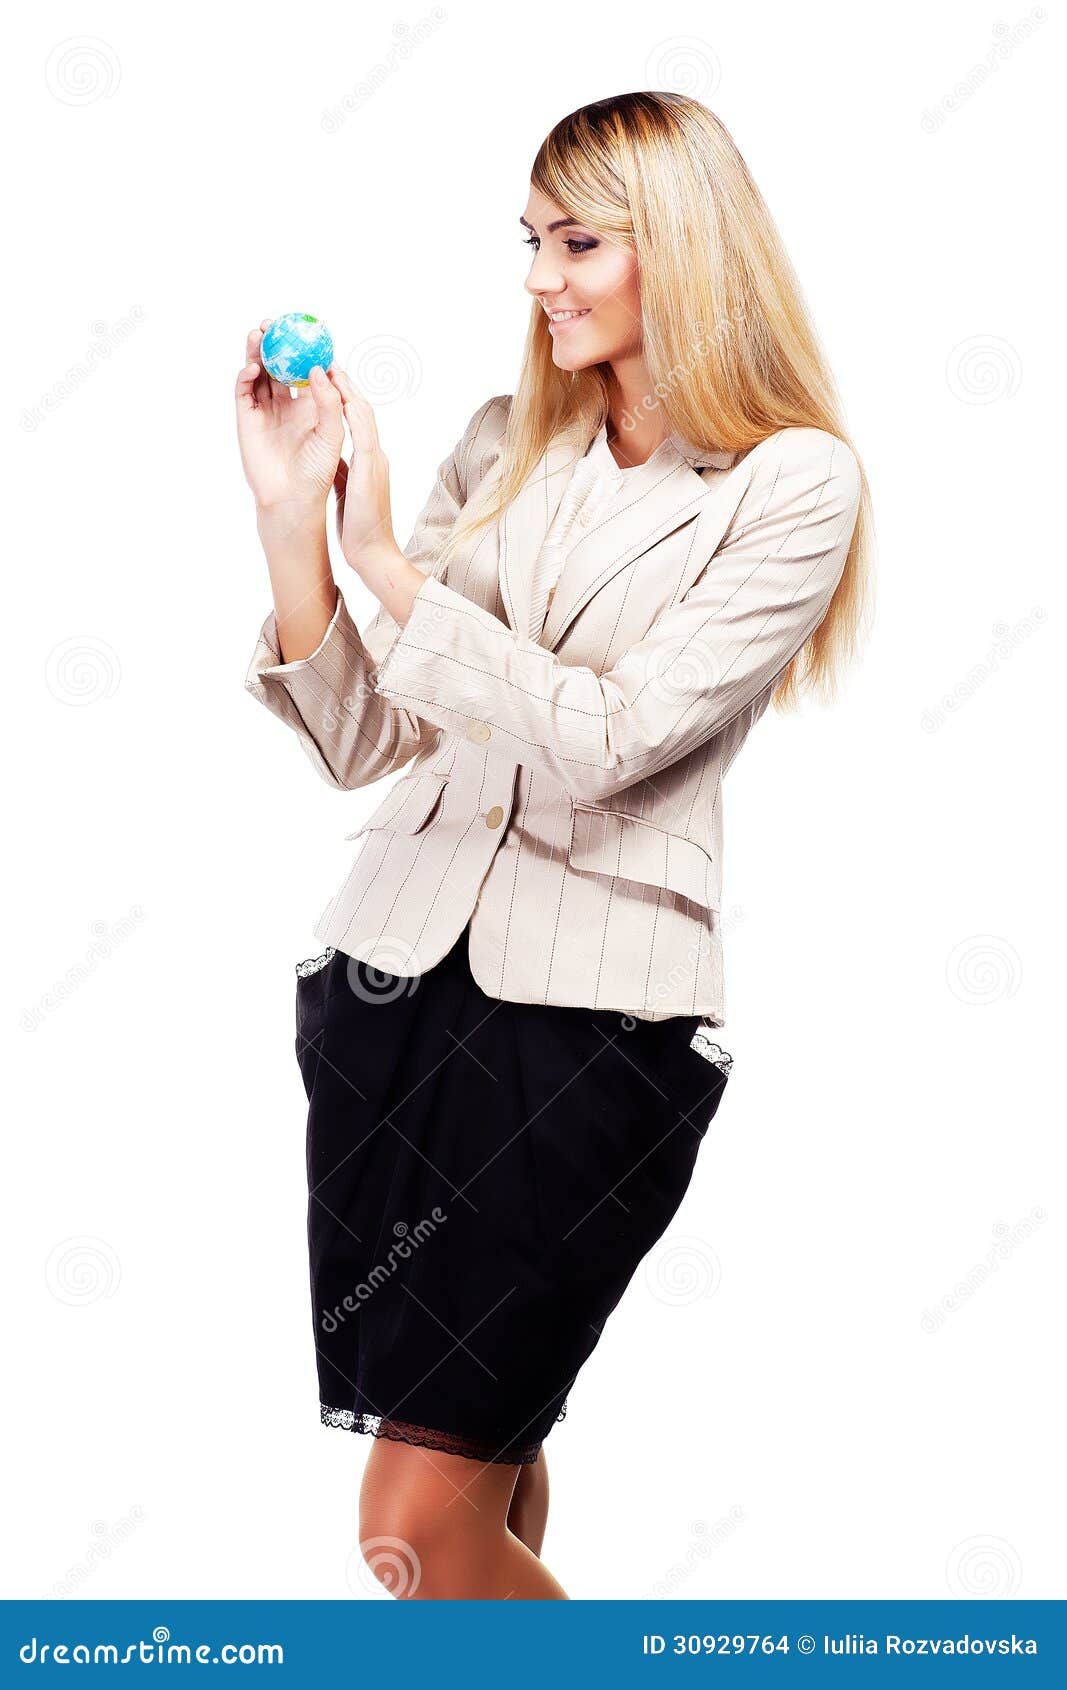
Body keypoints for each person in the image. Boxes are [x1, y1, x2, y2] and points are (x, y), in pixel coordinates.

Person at [235, 91, 872, 1601]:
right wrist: (292, 530)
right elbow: (367, 742)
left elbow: (607, 740)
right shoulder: (502, 444)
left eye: (582, 240)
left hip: (589, 1031)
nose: (541, 275)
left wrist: (387, 562)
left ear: (689, 251)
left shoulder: (793, 483)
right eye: (532, 239)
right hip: (395, 995)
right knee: (483, 1467)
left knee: (415, 1521)